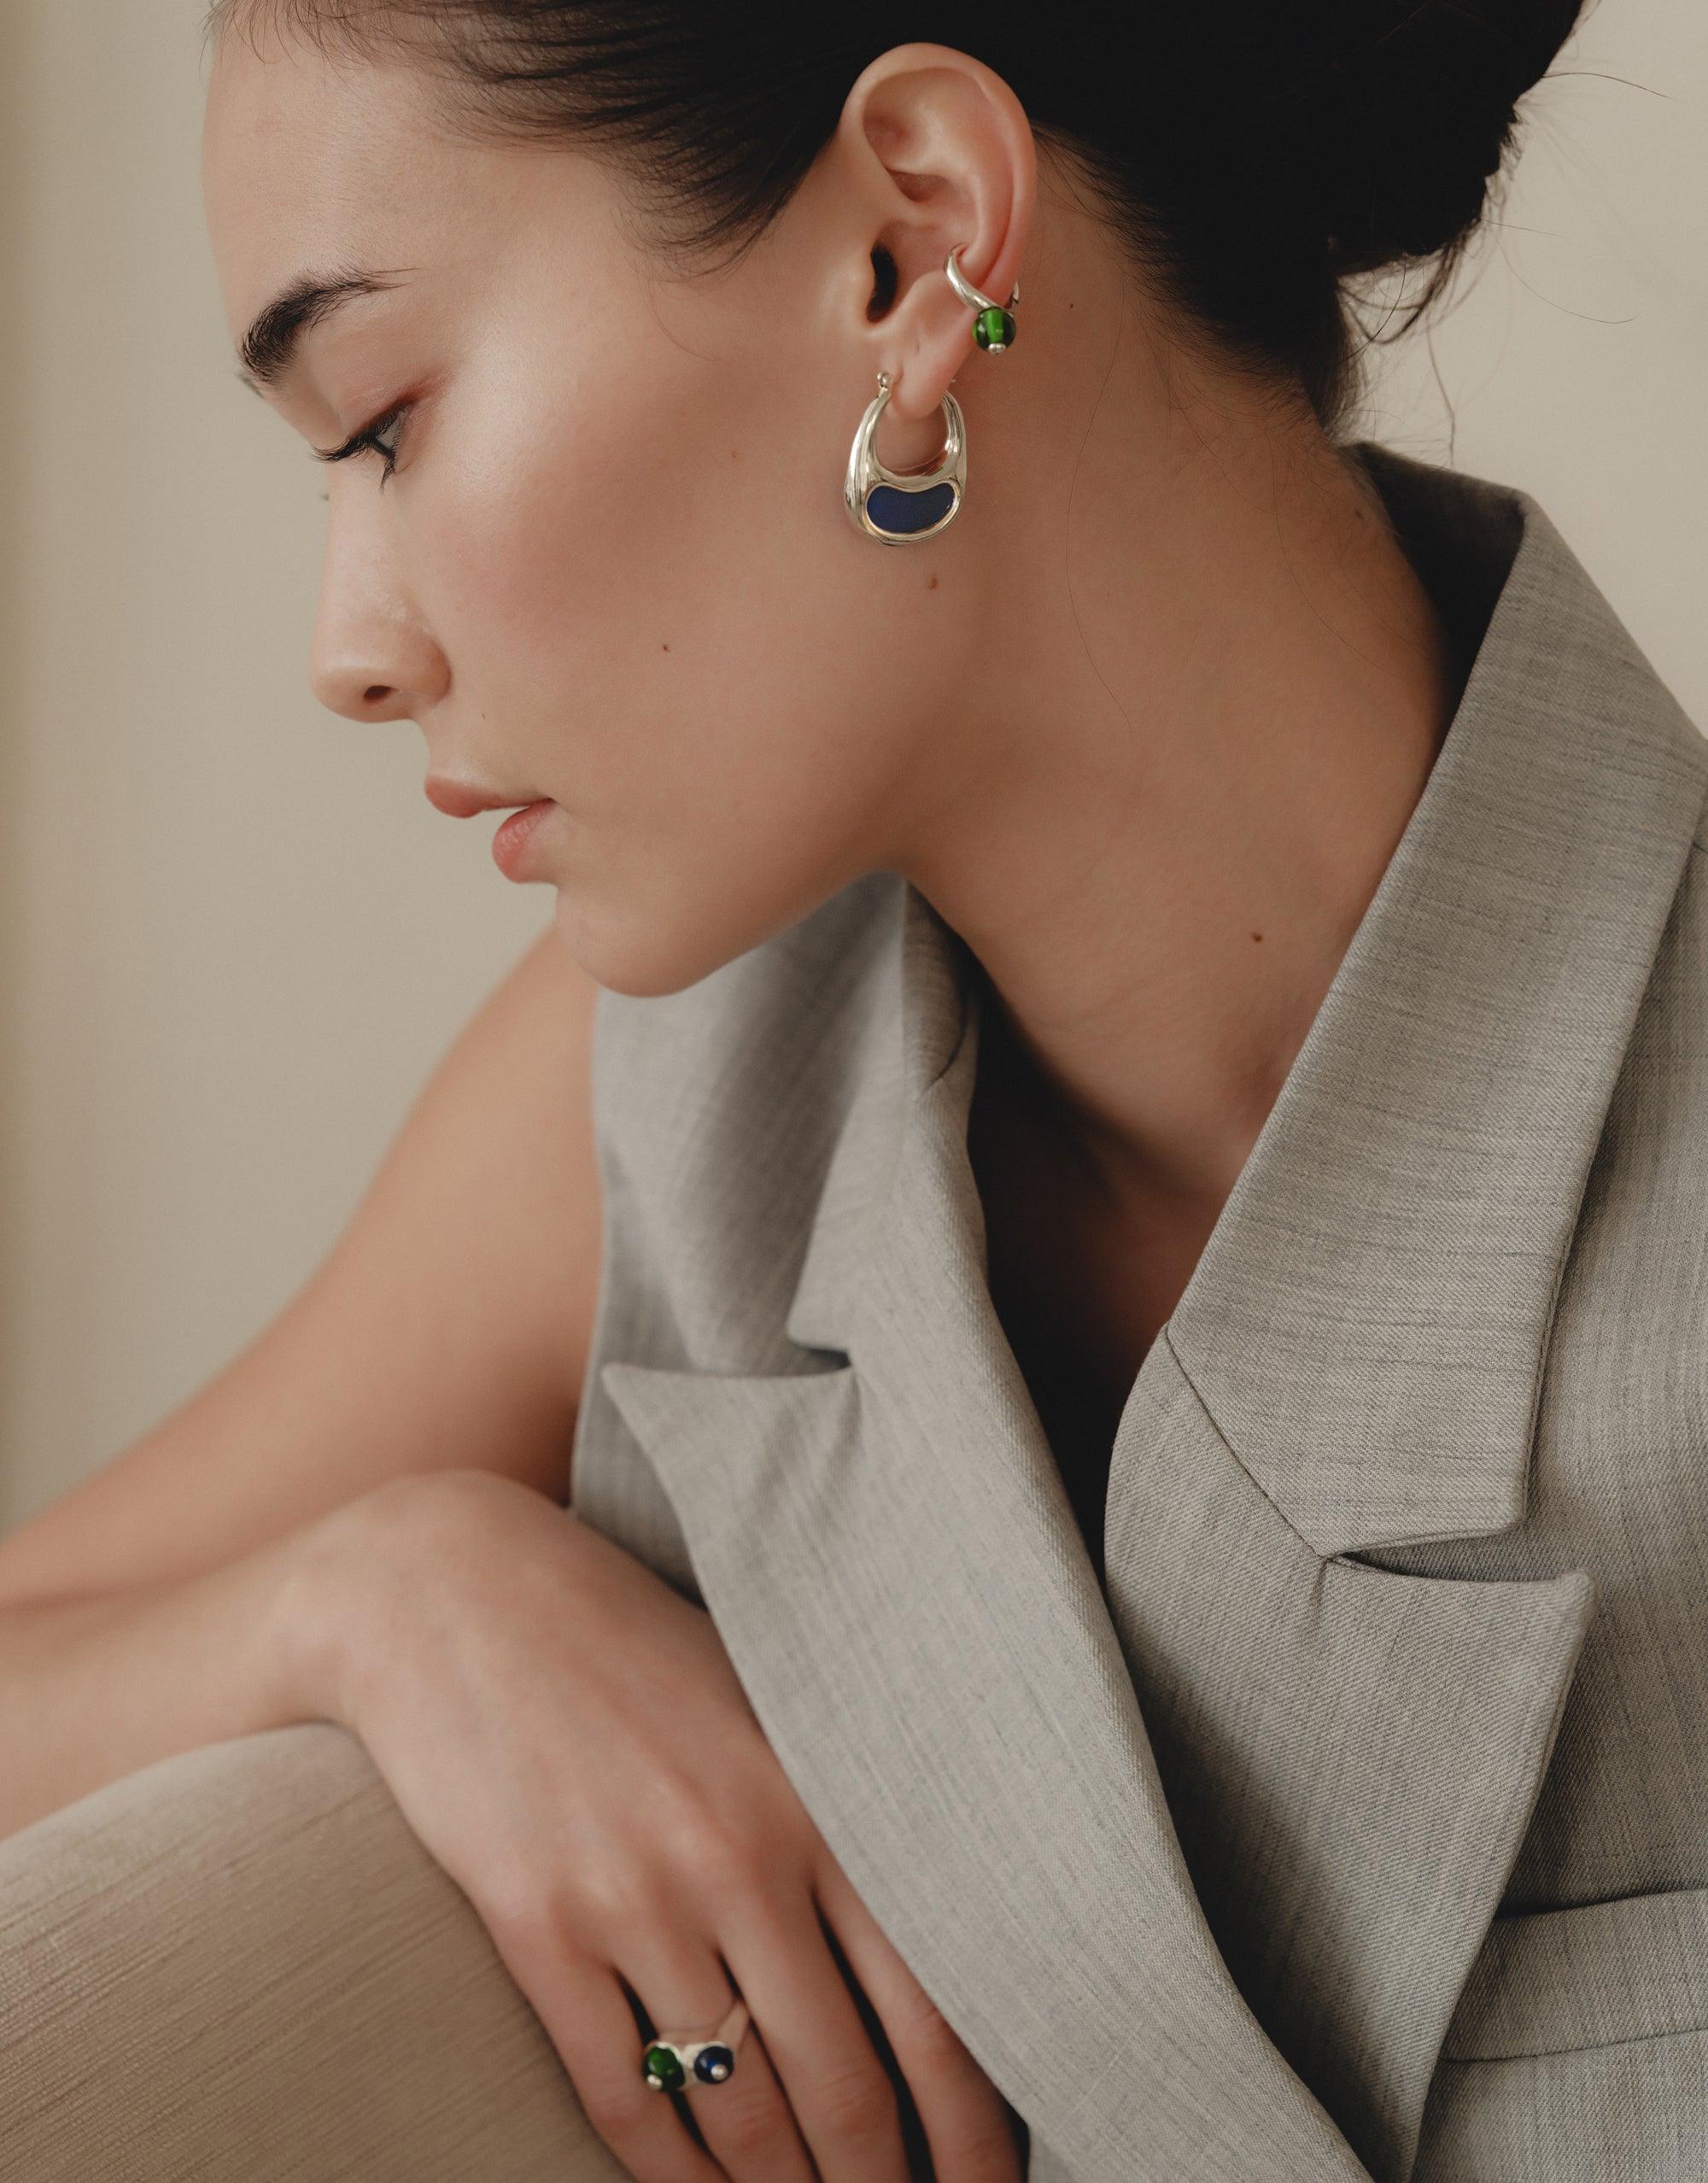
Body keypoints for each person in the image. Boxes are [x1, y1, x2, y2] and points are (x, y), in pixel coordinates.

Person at [4, 3, 1704, 2180]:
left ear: (912, 253)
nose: (348, 646)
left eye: (388, 419)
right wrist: (373, 1595)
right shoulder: (669, 1100)